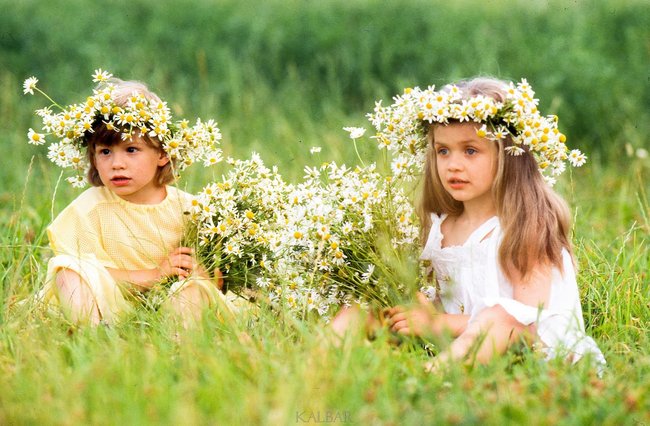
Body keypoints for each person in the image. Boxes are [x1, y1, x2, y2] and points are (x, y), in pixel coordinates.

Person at [334, 77, 605, 368]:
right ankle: (317, 371)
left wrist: (437, 324)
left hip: (540, 352)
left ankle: (433, 382)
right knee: (362, 309)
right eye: (443, 151)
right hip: (463, 346)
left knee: (498, 319)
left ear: (508, 156)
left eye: (471, 151)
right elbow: (444, 302)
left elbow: (526, 318)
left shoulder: (527, 224)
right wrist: (417, 311)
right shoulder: (440, 229)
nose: (453, 164)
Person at [30, 74, 235, 326]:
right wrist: (152, 275)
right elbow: (88, 276)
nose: (117, 164)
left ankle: (177, 349)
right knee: (67, 271)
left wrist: (204, 275)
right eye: (105, 152)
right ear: (93, 158)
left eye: (131, 150)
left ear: (161, 154)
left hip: (168, 305)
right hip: (109, 307)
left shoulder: (190, 210)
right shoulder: (89, 208)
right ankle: (93, 338)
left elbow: (217, 278)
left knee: (193, 291)